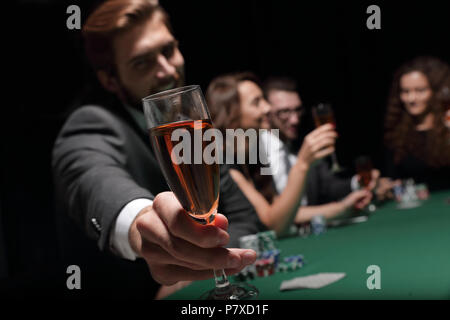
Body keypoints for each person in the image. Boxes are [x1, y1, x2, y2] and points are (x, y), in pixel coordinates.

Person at [52, 0, 260, 294]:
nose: (166, 70)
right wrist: (145, 230)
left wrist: (196, 264)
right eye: (142, 62)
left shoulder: (195, 128)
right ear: (109, 80)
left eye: (168, 50)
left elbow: (243, 218)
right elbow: (94, 183)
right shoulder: (90, 124)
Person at [206, 72, 372, 236]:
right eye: (257, 102)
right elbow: (275, 224)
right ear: (232, 114)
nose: (267, 107)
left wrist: (344, 207)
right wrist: (303, 164)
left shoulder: (252, 157)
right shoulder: (221, 161)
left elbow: (283, 211)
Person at [262, 76, 381, 221]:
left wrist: (359, 182)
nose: (295, 120)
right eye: (284, 112)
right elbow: (270, 213)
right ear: (266, 112)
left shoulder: (301, 143)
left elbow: (328, 186)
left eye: (297, 110)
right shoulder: (255, 152)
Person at [384, 56, 450, 191]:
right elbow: (393, 179)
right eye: (405, 91)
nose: (411, 98)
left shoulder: (447, 127)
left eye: (420, 90)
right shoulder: (397, 131)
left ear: (436, 91)